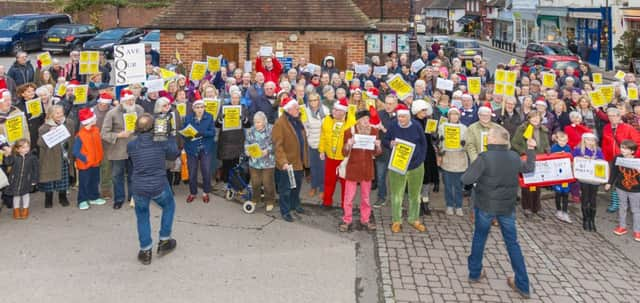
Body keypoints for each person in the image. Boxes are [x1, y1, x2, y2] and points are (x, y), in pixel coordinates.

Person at [462, 127, 536, 300]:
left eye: (489, 136)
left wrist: (477, 178)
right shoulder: (514, 157)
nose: (486, 138)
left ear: (495, 140)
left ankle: (474, 273)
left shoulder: (484, 158)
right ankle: (523, 284)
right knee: (513, 243)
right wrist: (531, 150)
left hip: (485, 206)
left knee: (480, 237)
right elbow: (529, 168)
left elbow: (466, 179)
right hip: (507, 208)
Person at [127, 113, 179, 265]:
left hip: (139, 186)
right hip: (158, 184)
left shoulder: (131, 144)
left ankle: (145, 250)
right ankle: (164, 240)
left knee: (142, 216)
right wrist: (170, 135)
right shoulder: (161, 142)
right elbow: (173, 154)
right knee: (169, 206)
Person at [383, 104, 427, 233]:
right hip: (397, 165)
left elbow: (424, 144)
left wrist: (420, 160)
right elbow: (385, 140)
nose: (400, 119)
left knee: (415, 195)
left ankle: (414, 218)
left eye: (403, 117)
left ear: (409, 117)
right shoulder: (393, 125)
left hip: (416, 166)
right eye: (399, 117)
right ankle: (397, 220)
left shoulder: (417, 126)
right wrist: (390, 143)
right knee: (397, 195)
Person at [101, 90, 144, 209]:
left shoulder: (139, 109)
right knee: (117, 175)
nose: (131, 102)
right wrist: (118, 135)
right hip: (118, 150)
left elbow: (145, 126)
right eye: (128, 100)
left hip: (135, 148)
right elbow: (104, 133)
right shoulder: (112, 113)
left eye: (132, 100)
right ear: (122, 101)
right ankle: (119, 198)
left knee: (134, 174)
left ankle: (133, 197)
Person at [339, 110, 381, 232]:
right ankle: (347, 220)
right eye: (363, 119)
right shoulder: (349, 131)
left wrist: (378, 146)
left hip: (367, 169)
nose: (366, 122)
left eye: (367, 119)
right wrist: (348, 144)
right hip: (352, 168)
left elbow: (376, 153)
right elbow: (344, 152)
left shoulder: (374, 131)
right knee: (348, 197)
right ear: (357, 120)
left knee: (366, 198)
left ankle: (365, 219)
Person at [272, 97, 309, 222]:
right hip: (287, 163)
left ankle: (295, 205)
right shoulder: (280, 123)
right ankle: (285, 211)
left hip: (298, 161)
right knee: (286, 189)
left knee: (296, 186)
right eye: (296, 107)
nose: (299, 109)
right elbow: (278, 146)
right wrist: (283, 162)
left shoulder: (297, 120)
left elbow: (302, 139)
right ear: (288, 109)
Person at [318, 97, 355, 208]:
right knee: (329, 181)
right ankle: (327, 201)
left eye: (336, 110)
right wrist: (321, 150)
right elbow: (323, 136)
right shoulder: (327, 120)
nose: (333, 111)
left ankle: (345, 205)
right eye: (333, 109)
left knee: (345, 183)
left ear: (344, 111)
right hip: (330, 157)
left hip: (344, 159)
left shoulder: (351, 122)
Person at [512, 111, 550, 218]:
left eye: (537, 117)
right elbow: (515, 143)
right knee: (527, 185)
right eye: (532, 117)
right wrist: (525, 152)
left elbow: (546, 143)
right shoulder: (523, 128)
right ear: (528, 118)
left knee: (537, 185)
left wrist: (547, 149)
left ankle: (536, 207)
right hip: (527, 158)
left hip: (539, 159)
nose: (535, 119)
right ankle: (526, 207)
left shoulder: (543, 130)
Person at [602, 107, 640, 213]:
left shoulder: (628, 128)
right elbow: (605, 144)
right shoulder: (606, 127)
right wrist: (604, 157)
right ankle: (616, 202)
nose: (612, 118)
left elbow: (637, 143)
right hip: (612, 159)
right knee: (614, 180)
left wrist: (634, 158)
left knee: (626, 180)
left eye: (614, 116)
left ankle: (626, 201)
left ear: (619, 116)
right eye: (610, 116)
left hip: (626, 159)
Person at [37, 105, 74, 208]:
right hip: (50, 158)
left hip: (64, 156)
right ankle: (48, 199)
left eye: (61, 112)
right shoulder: (44, 127)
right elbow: (40, 144)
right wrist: (49, 133)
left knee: (63, 178)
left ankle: (62, 197)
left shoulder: (69, 123)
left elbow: (72, 138)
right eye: (57, 113)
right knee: (49, 179)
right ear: (51, 114)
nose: (60, 115)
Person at [181, 100, 215, 203]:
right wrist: (187, 134)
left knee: (206, 171)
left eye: (201, 107)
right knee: (192, 173)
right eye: (197, 107)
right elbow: (183, 133)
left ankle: (206, 192)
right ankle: (193, 193)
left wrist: (202, 133)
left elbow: (212, 132)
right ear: (193, 108)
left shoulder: (209, 117)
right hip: (192, 149)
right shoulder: (188, 118)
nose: (199, 109)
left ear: (204, 108)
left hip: (205, 148)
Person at [72, 108, 106, 210]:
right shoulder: (80, 135)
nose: (96, 120)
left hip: (96, 162)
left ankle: (93, 197)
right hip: (85, 164)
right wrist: (86, 159)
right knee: (84, 183)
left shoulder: (96, 130)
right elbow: (75, 151)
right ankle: (82, 200)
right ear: (89, 121)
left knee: (95, 181)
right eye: (94, 118)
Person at [607, 140, 640, 242]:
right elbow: (614, 171)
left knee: (635, 210)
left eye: (625, 148)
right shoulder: (618, 158)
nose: (622, 150)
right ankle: (622, 227)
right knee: (622, 207)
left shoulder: (638, 161)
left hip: (635, 190)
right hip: (621, 187)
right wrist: (609, 183)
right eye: (622, 147)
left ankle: (637, 231)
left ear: (632, 151)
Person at [438, 107, 468, 216]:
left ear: (459, 116)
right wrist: (441, 144)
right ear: (449, 116)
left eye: (456, 115)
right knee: (448, 186)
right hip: (448, 159)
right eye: (452, 114)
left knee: (459, 186)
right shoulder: (442, 127)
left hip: (460, 159)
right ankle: (449, 205)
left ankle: (459, 206)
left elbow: (468, 144)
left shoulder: (464, 128)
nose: (454, 117)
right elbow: (440, 145)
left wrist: (464, 144)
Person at [244, 111, 276, 211]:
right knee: (255, 182)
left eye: (259, 122)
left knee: (267, 182)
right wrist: (247, 151)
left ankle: (270, 201)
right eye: (255, 122)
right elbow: (247, 142)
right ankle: (255, 199)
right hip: (254, 162)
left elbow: (276, 143)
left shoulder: (272, 129)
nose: (256, 124)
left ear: (264, 121)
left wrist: (268, 150)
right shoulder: (250, 131)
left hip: (268, 162)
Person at [573, 132, 604, 231]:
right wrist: (582, 159)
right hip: (584, 178)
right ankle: (585, 220)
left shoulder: (598, 150)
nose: (590, 142)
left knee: (593, 199)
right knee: (585, 198)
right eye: (588, 140)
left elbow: (603, 163)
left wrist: (596, 160)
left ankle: (592, 220)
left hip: (594, 178)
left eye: (592, 140)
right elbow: (574, 161)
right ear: (584, 140)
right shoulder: (578, 150)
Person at [3, 139, 38, 219]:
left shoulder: (32, 157)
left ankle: (25, 209)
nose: (26, 149)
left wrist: (34, 179)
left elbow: (35, 169)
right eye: (23, 147)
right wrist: (7, 155)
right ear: (17, 149)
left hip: (27, 180)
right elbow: (8, 163)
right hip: (15, 180)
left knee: (26, 194)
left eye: (27, 147)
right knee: (16, 196)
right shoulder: (14, 157)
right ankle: (16, 210)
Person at [373, 95, 398, 208]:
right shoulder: (379, 114)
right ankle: (381, 197)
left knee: (396, 178)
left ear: (396, 104)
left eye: (391, 103)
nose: (388, 106)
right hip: (382, 151)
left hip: (395, 152)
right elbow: (373, 129)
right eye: (387, 103)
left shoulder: (400, 116)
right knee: (381, 176)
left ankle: (397, 199)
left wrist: (383, 129)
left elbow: (399, 133)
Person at [304, 92, 328, 198]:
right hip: (311, 143)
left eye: (315, 100)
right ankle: (314, 186)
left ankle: (322, 188)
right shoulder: (305, 111)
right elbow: (304, 127)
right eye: (311, 100)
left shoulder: (326, 110)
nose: (313, 102)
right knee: (313, 167)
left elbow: (327, 128)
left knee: (322, 167)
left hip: (322, 144)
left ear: (319, 100)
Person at [550, 131, 573, 223]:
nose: (562, 142)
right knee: (558, 193)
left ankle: (565, 211)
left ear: (567, 140)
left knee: (566, 194)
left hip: (566, 174)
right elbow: (550, 159)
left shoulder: (568, 148)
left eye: (564, 140)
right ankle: (558, 210)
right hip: (557, 175)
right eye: (560, 140)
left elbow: (571, 159)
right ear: (557, 140)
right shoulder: (554, 148)